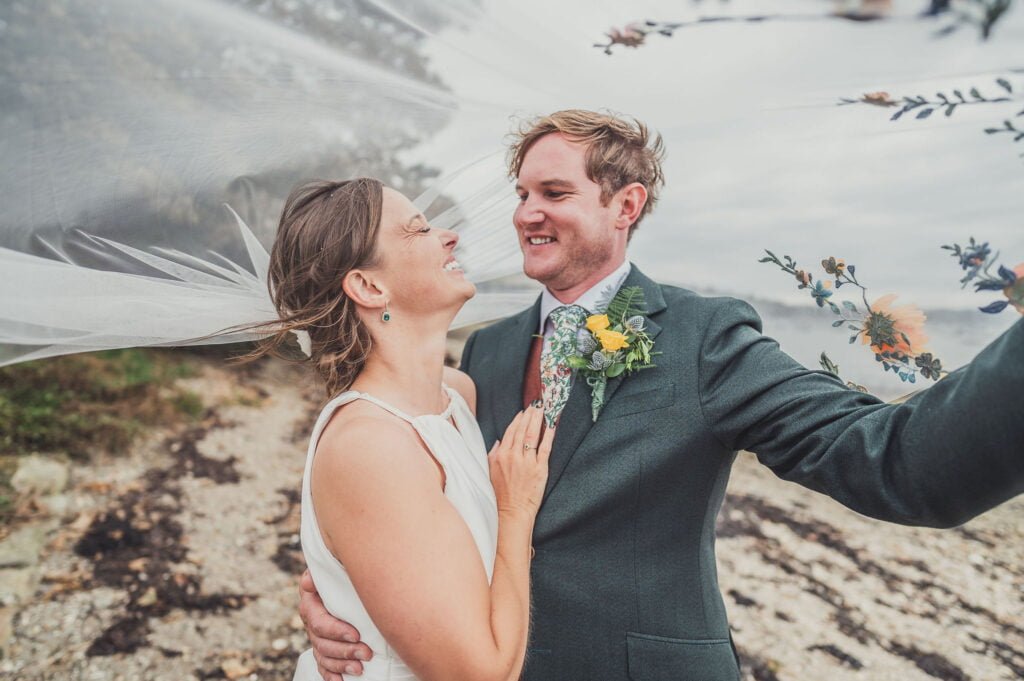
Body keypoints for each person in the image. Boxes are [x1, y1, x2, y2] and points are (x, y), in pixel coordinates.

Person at [298, 110, 1024, 681]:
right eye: (521, 193)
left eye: (554, 193)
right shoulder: (482, 352)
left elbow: (895, 461)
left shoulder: (706, 337)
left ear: (626, 204)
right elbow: (411, 506)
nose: (524, 213)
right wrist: (345, 590)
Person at [256, 177, 555, 681]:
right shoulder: (370, 448)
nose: (449, 235)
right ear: (370, 287)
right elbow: (480, 675)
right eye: (418, 230)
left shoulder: (457, 398)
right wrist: (516, 507)